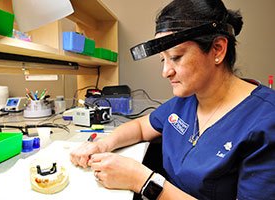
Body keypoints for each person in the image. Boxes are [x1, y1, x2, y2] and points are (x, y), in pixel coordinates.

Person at [70, 0, 275, 199]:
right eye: (163, 60)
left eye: (176, 57)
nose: (166, 72)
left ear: (218, 49)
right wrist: (103, 145)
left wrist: (142, 181)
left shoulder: (266, 120)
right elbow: (142, 127)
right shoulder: (186, 101)